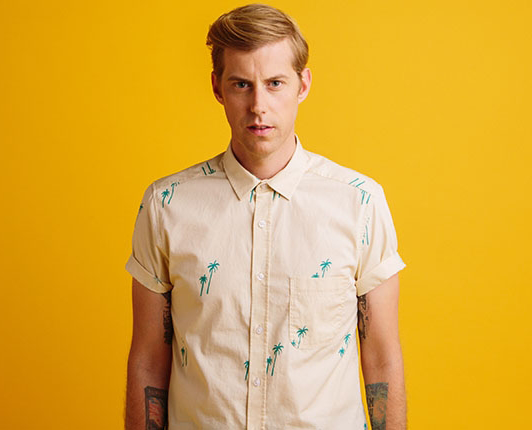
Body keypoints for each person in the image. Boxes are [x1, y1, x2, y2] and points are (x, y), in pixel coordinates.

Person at [125, 4, 406, 429]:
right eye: (242, 84)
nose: (258, 105)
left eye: (275, 83)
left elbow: (382, 357)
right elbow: (148, 358)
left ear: (302, 85)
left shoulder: (360, 203)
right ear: (218, 87)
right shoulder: (167, 205)